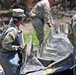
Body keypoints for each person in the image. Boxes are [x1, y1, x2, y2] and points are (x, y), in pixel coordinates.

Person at [0, 8, 26, 75]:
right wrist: (17, 48)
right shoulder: (13, 30)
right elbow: (5, 44)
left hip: (10, 55)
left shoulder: (13, 26)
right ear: (21, 19)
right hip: (8, 56)